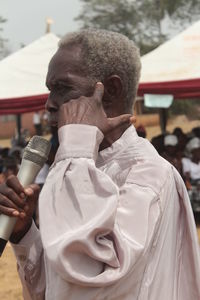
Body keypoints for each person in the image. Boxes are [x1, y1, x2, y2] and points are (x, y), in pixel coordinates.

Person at [0, 29, 200, 300]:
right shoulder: (78, 167)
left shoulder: (147, 175)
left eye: (63, 88)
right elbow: (58, 290)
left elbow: (91, 284)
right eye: (49, 90)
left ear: (110, 91)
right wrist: (25, 234)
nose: (49, 104)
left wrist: (75, 148)